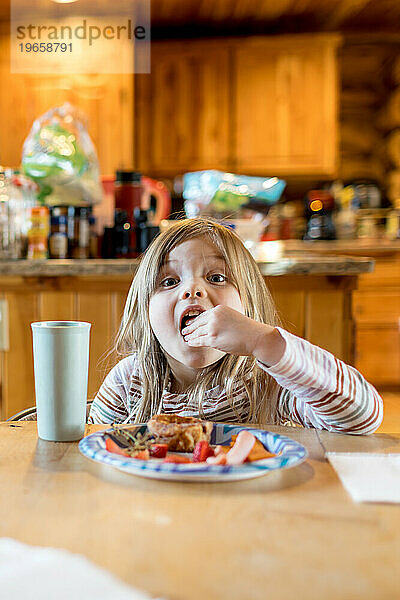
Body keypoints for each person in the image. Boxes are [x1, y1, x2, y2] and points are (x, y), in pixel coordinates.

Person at [89, 217, 383, 434]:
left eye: (216, 278)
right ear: (144, 311)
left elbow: (363, 415)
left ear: (249, 305)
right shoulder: (129, 380)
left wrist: (265, 342)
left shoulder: (266, 383)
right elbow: (91, 444)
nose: (192, 290)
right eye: (169, 281)